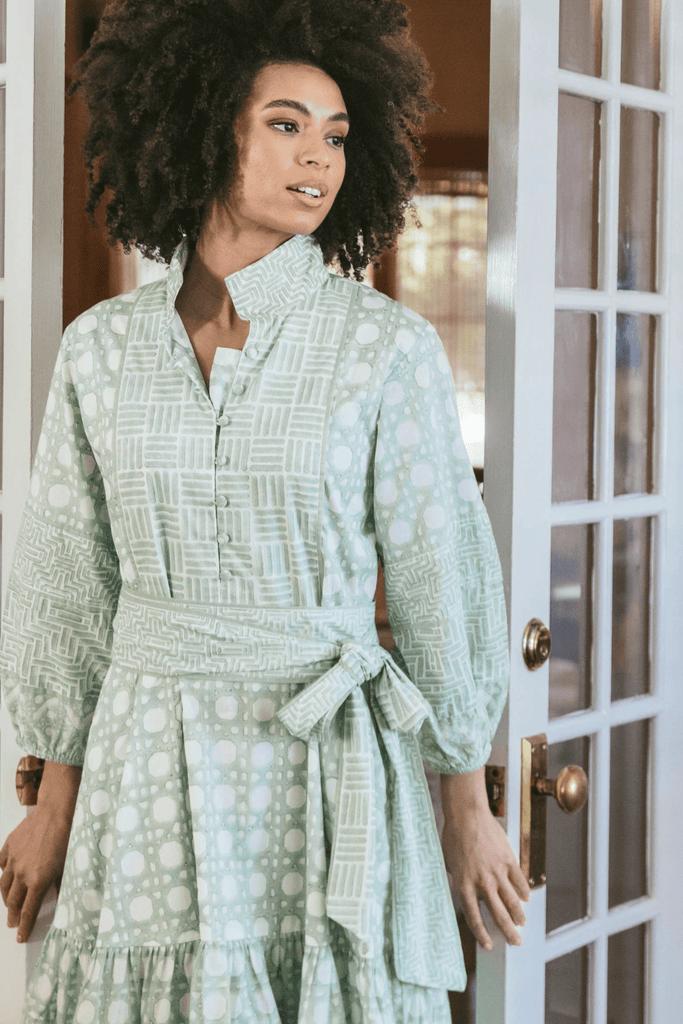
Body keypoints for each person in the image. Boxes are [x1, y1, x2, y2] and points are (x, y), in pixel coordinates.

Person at [0, 0, 530, 1021]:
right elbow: (68, 582)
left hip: (321, 766)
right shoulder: (99, 350)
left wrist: (465, 804)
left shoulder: (384, 350)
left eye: (336, 134)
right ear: (206, 128)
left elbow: (438, 578)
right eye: (285, 124)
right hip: (146, 762)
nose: (317, 157)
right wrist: (54, 799)